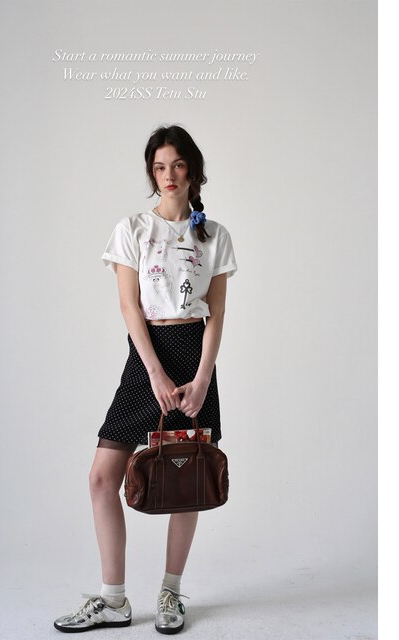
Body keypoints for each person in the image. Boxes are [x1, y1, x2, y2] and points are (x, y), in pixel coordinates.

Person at [54, 124, 238, 635]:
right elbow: (129, 306)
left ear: (193, 170)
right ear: (151, 174)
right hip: (146, 357)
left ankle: (170, 593)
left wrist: (202, 379)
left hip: (195, 358)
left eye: (177, 164)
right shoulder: (132, 228)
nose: (168, 175)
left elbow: (217, 315)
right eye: (159, 167)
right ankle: (113, 600)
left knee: (188, 479)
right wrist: (154, 370)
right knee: (101, 477)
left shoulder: (214, 235)